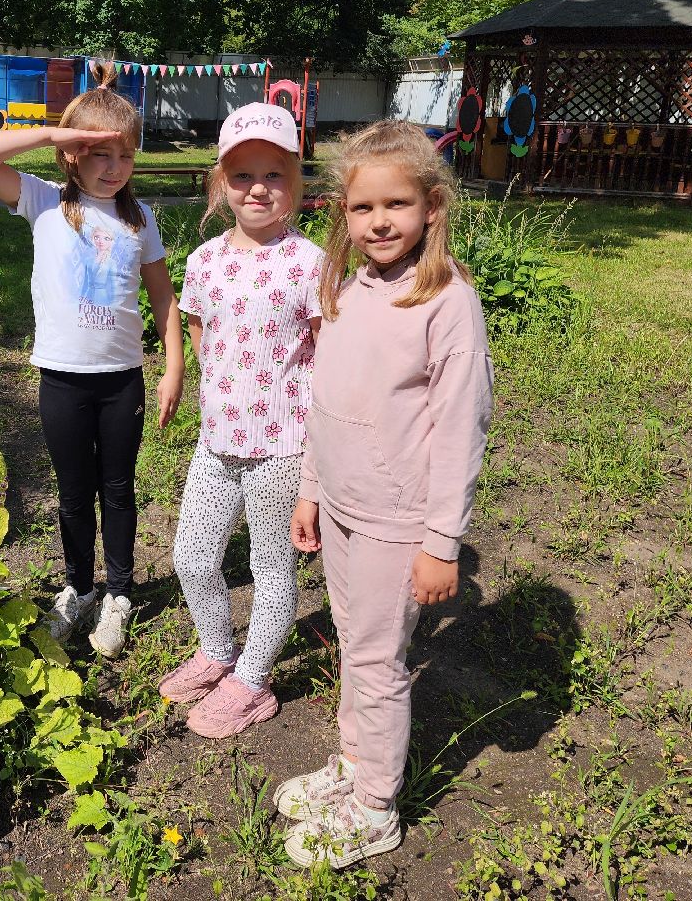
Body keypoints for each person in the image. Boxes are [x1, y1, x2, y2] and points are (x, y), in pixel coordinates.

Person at [277, 120, 493, 868]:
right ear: (343, 212)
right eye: (362, 208)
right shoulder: (345, 284)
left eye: (396, 204)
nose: (379, 222)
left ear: (432, 206)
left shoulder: (446, 301)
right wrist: (310, 490)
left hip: (397, 519)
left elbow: (462, 426)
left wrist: (441, 542)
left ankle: (376, 807)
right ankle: (351, 765)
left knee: (377, 663)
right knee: (356, 648)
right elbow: (325, 397)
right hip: (340, 506)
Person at [0, 65, 184, 659]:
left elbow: (163, 296)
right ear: (70, 158)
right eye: (96, 154)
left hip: (121, 382)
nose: (112, 168)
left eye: (124, 156)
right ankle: (78, 586)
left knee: (117, 488)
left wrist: (175, 364)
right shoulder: (43, 201)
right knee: (72, 491)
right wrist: (52, 135)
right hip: (60, 378)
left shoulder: (140, 220)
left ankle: (119, 593)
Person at [157, 102, 323, 738]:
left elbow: (323, 348)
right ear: (219, 183)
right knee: (193, 558)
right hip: (216, 440)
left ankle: (253, 682)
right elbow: (199, 329)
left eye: (274, 175)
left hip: (283, 445)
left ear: (295, 183)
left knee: (270, 569)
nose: (258, 188)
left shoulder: (310, 263)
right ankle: (218, 648)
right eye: (242, 174)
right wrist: (227, 394)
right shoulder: (203, 259)